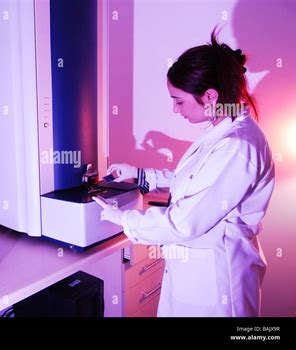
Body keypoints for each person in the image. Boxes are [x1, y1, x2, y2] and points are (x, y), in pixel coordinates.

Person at [93, 30, 275, 317]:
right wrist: (141, 175)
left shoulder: (237, 147)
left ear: (210, 96)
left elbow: (184, 221)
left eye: (178, 101)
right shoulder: (222, 127)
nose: (175, 109)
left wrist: (124, 218)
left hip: (218, 283)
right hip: (198, 270)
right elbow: (195, 181)